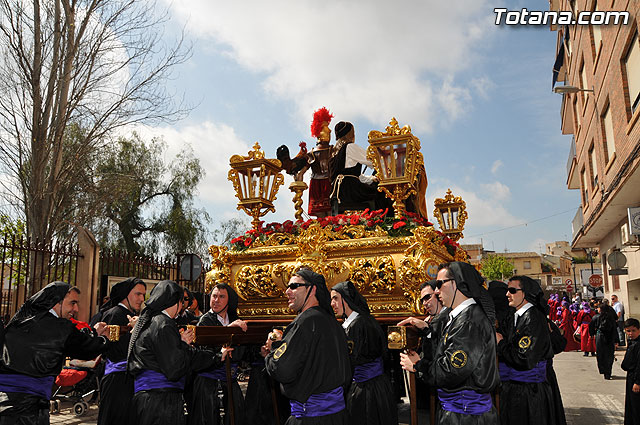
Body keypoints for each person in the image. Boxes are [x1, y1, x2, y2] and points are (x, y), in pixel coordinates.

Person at [401, 262, 499, 424]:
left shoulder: (469, 321)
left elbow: (452, 371)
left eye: (440, 284)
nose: (437, 290)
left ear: (457, 282)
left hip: (466, 417)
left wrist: (417, 365)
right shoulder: (460, 317)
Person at [0, 281, 111, 424]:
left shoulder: (20, 321)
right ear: (56, 302)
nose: (76, 309)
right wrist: (104, 339)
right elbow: (86, 349)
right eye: (72, 303)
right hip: (29, 409)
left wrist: (93, 333)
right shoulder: (61, 328)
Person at [128, 280, 231, 425]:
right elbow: (175, 368)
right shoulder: (163, 324)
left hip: (152, 400)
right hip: (160, 402)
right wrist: (215, 356)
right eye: (181, 302)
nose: (182, 307)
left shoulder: (154, 321)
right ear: (174, 301)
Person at [264, 269, 351, 424]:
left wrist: (273, 348)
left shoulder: (305, 322)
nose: (287, 291)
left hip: (311, 418)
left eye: (294, 286)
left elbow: (283, 370)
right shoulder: (332, 322)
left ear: (312, 289)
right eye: (287, 287)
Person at [330, 281, 397, 425]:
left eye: (335, 298)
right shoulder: (352, 323)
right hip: (363, 386)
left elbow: (351, 360)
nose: (332, 303)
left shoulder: (360, 324)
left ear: (346, 298)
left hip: (369, 390)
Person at [496, 275, 555, 425]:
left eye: (512, 290)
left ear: (525, 293)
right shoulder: (517, 316)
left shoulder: (533, 318)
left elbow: (524, 358)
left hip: (530, 392)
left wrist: (501, 343)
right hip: (517, 389)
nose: (507, 294)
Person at [187, 283, 248, 425]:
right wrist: (229, 331)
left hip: (230, 381)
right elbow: (206, 352)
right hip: (208, 384)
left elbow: (241, 352)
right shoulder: (205, 321)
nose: (216, 300)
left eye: (221, 297)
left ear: (229, 300)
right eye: (214, 296)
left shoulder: (235, 319)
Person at [97, 277, 146, 425]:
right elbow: (117, 349)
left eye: (143, 295)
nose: (141, 299)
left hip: (127, 379)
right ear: (126, 294)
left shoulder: (131, 315)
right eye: (138, 294)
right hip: (117, 381)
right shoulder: (115, 314)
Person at [328, 121, 391, 215]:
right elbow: (373, 161)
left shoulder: (334, 151)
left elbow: (350, 174)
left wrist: (370, 179)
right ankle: (384, 222)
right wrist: (391, 156)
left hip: (339, 190)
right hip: (350, 190)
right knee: (382, 192)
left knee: (374, 187)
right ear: (350, 134)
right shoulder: (350, 147)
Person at [589, 302, 619, 380]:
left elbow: (591, 327)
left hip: (600, 337)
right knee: (609, 355)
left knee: (600, 354)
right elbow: (615, 330)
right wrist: (616, 341)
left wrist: (592, 334)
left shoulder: (596, 317)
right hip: (610, 338)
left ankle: (603, 369)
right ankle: (608, 372)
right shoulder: (611, 318)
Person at [621, 318, 640, 425]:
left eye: (633, 331)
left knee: (636, 408)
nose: (631, 333)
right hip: (631, 376)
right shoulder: (632, 342)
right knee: (631, 406)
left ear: (639, 330)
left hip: (636, 378)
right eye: (628, 331)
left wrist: (638, 382)